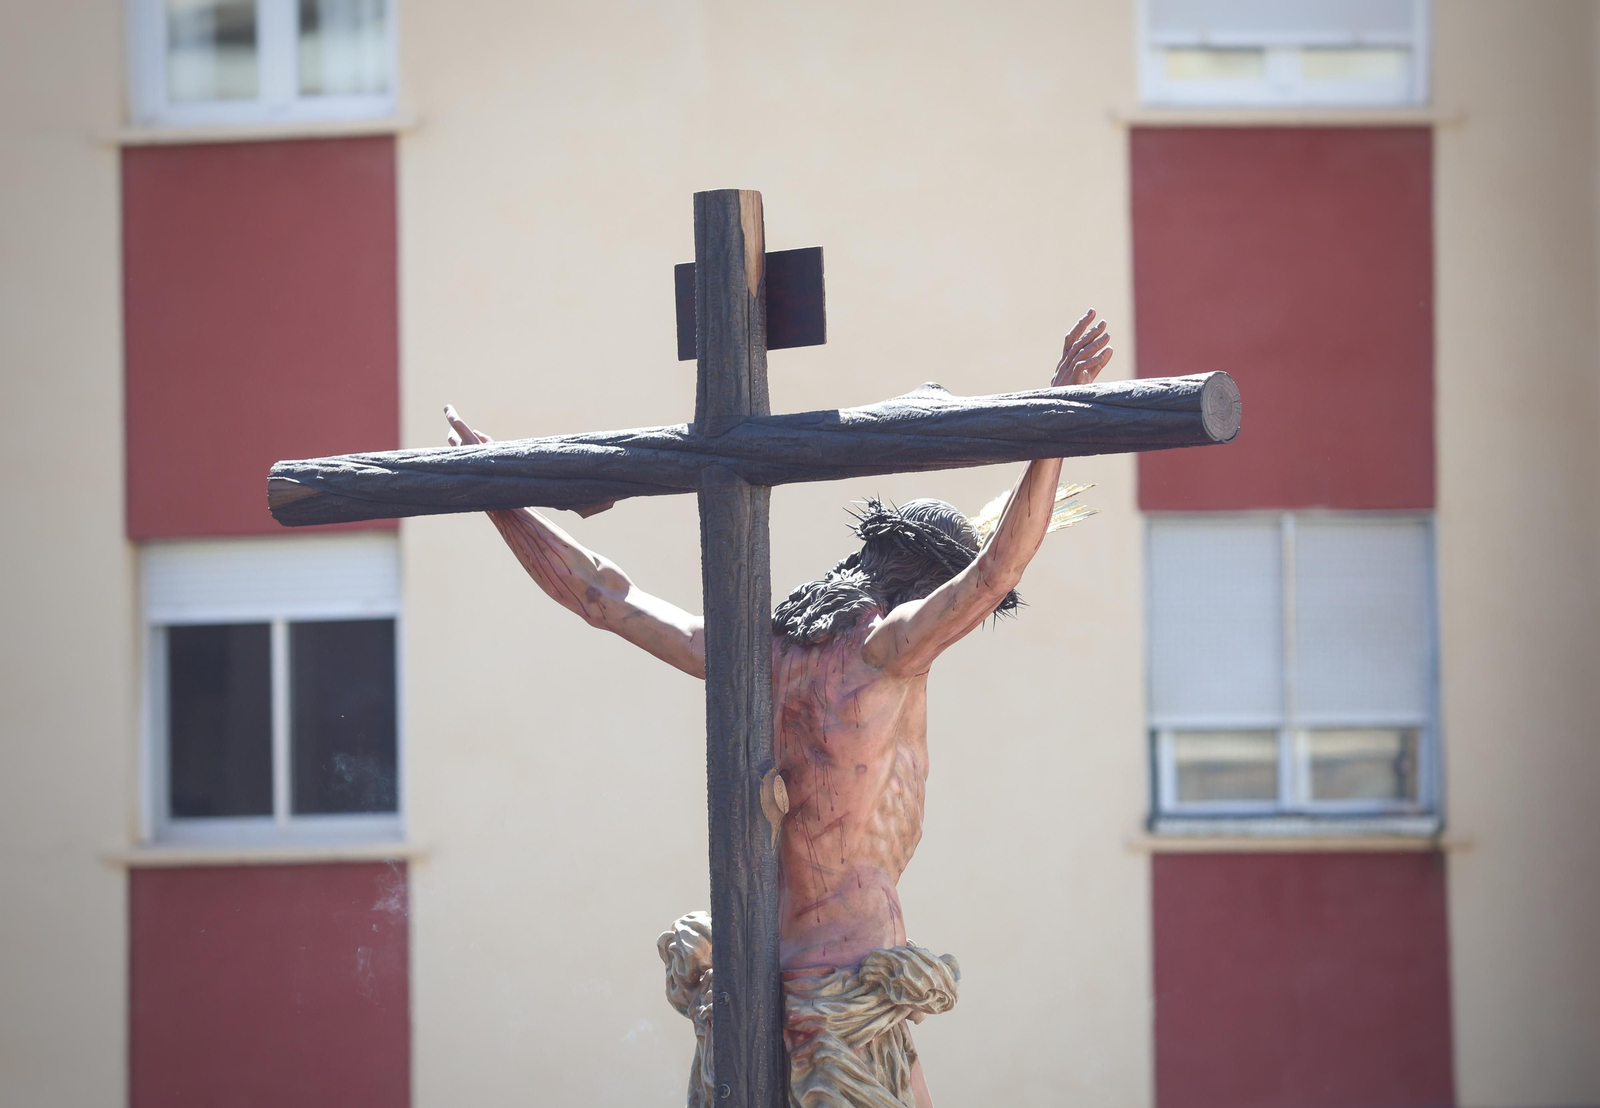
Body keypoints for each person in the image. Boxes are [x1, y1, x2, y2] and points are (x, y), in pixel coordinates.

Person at [445, 310, 1113, 1108]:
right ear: (922, 585)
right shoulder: (889, 649)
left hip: (747, 976)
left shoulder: (756, 655)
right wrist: (1056, 414)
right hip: (847, 986)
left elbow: (603, 598)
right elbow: (997, 571)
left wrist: (499, 496)